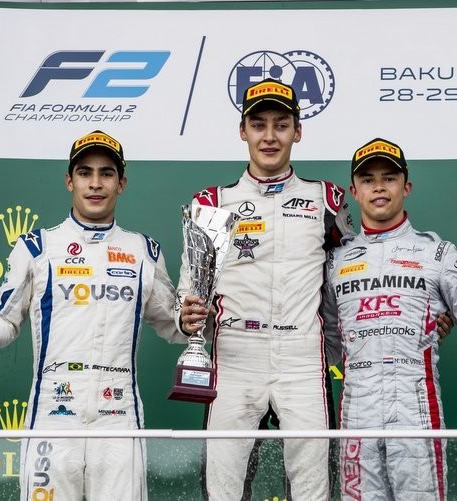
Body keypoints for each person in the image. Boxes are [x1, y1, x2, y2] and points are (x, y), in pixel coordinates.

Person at [0, 130, 187, 501]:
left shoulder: (143, 251)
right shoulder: (37, 247)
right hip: (53, 410)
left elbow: (174, 325)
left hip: (119, 412)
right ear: (69, 180)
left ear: (121, 183)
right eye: (84, 172)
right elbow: (3, 324)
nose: (95, 183)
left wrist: (194, 321)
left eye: (106, 173)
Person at [177, 78, 353, 501]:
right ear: (243, 131)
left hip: (303, 357)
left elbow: (352, 276)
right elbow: (187, 287)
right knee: (222, 489)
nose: (270, 136)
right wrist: (185, 316)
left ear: (298, 131)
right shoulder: (211, 202)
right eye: (258, 125)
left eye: (281, 124)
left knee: (313, 490)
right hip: (236, 353)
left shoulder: (327, 199)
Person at [324, 137, 457, 501]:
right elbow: (327, 341)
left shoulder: (436, 252)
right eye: (368, 179)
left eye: (389, 178)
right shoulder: (335, 260)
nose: (379, 187)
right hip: (356, 404)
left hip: (415, 401)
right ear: (354, 191)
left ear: (406, 187)